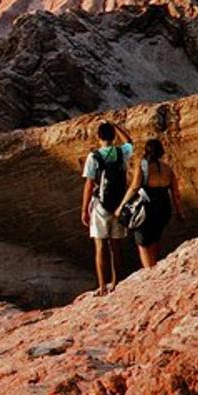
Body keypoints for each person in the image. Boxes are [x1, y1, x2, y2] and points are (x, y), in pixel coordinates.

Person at [81, 121, 133, 295]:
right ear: (112, 136)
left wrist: (84, 210)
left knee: (100, 247)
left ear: (99, 137)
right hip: (119, 205)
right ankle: (116, 283)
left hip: (100, 206)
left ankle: (102, 286)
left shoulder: (94, 156)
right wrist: (117, 126)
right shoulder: (122, 152)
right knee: (116, 246)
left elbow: (89, 185)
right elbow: (129, 141)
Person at [116, 138, 183, 269]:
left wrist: (121, 206)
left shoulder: (142, 165)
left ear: (146, 151)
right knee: (154, 239)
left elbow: (135, 187)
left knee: (143, 243)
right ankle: (155, 267)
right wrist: (179, 211)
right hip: (164, 208)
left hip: (147, 208)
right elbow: (175, 193)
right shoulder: (168, 169)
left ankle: (149, 273)